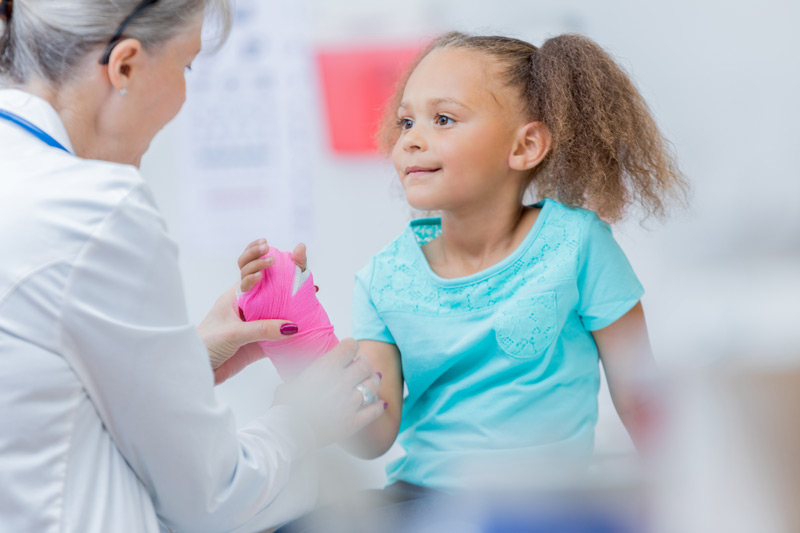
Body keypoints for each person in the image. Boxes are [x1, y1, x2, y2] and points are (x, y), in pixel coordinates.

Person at [244, 33, 688, 530]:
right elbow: (373, 437)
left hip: (542, 508)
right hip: (423, 503)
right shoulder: (385, 278)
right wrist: (297, 333)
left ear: (525, 145)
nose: (409, 138)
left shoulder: (577, 246)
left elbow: (641, 398)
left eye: (444, 119)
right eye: (406, 121)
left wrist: (693, 502)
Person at [0, 1, 384, 532]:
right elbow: (214, 502)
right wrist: (303, 419)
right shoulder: (95, 207)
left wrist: (185, 359)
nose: (186, 94)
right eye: (186, 67)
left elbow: (38, 389)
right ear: (125, 66)